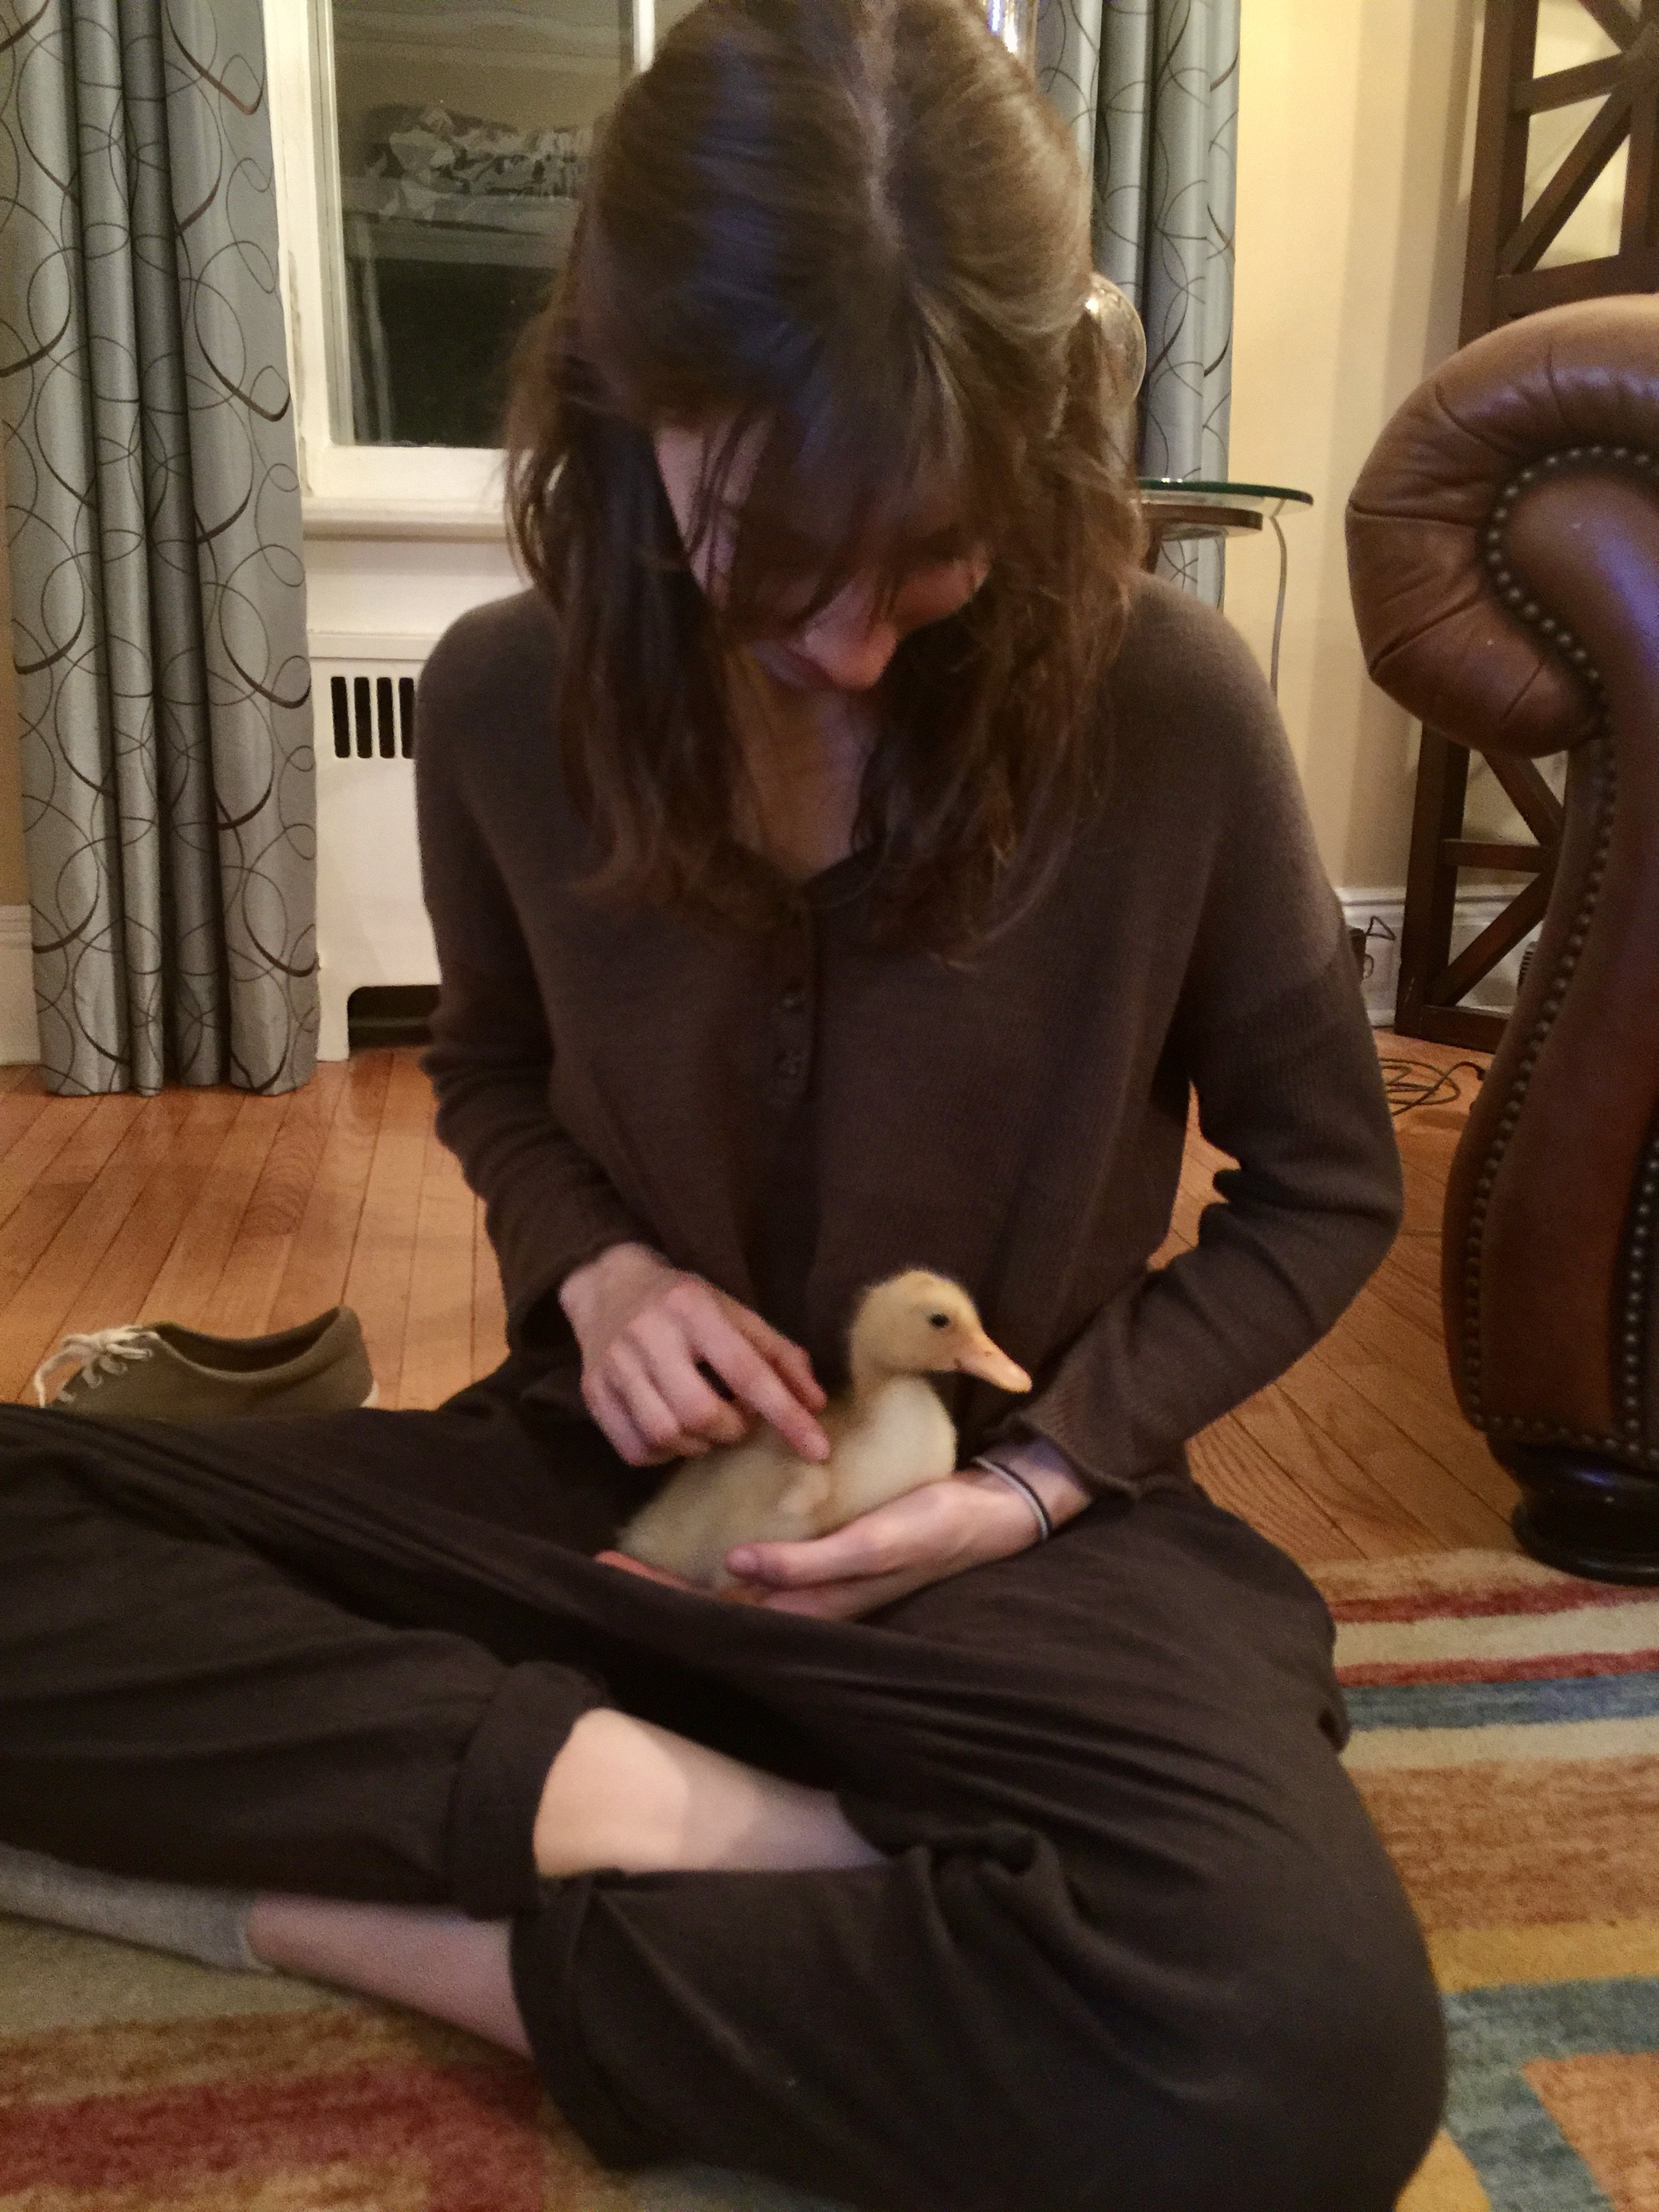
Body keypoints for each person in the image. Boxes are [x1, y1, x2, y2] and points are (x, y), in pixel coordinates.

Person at [0, 0, 1447, 2205]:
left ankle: (405, 1915)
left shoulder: (1169, 712)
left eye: (934, 552)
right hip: (607, 1515)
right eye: (776, 547)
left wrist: (1045, 1476)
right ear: (629, 394)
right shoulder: (504, 701)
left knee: (1308, 2047)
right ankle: (685, 1824)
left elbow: (1325, 1189)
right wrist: (595, 1273)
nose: (857, 641)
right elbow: (486, 1070)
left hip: (992, 1549)